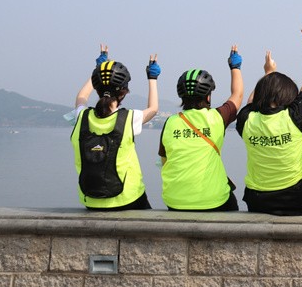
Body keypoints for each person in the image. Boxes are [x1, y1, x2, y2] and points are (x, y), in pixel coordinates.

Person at [235, 26, 302, 216]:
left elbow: (250, 103)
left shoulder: (247, 121)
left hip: (257, 201)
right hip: (296, 200)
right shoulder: (294, 117)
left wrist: (268, 73)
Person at [70, 45, 160, 211]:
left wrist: (99, 69)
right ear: (123, 92)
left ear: (96, 87)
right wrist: (152, 77)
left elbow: (81, 97)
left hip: (91, 200)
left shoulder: (81, 117)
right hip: (128, 199)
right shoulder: (129, 118)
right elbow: (153, 109)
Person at [158, 46, 244, 212]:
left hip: (175, 201)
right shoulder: (216, 118)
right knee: (230, 202)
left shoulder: (171, 122)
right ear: (208, 96)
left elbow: (165, 162)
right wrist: (235, 67)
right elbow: (238, 95)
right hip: (214, 202)